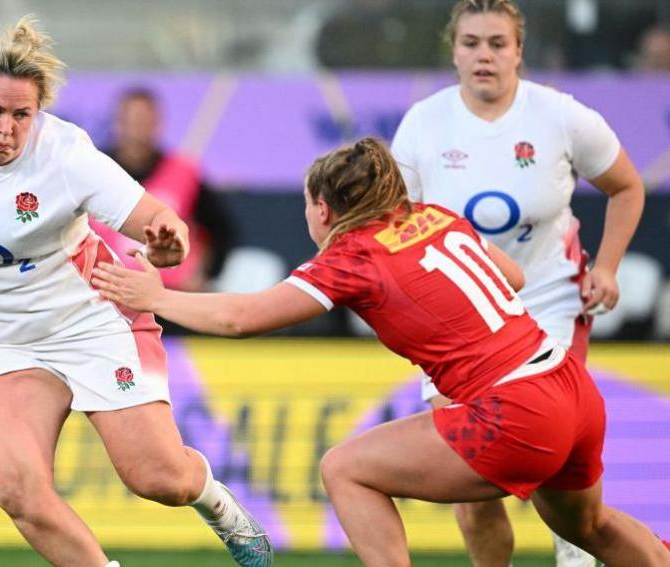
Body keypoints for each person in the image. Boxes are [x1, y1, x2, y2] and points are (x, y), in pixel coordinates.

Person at [92, 136, 670, 567]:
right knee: (590, 527)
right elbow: (513, 277)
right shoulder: (436, 218)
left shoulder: (354, 257)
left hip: (515, 411)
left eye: (307, 205)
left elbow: (241, 318)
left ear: (323, 209)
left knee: (344, 468)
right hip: (570, 388)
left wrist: (154, 296)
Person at [0, 15, 273, 567]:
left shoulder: (66, 154)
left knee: (159, 479)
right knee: (16, 490)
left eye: (22, 114)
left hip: (92, 322)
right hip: (3, 340)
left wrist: (167, 243)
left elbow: (156, 220)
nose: (8, 129)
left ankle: (217, 502)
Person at [390, 1, 646, 565]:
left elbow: (627, 187)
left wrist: (605, 268)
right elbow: (399, 227)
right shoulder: (422, 125)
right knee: (474, 488)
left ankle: (576, 556)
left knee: (556, 467)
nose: (484, 55)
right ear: (453, 51)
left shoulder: (561, 116)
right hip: (463, 317)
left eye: (498, 44)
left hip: (549, 301)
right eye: (472, 43)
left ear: (519, 52)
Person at [95, 87, 233, 293]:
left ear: (157, 123)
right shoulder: (95, 169)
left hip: (169, 293)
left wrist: (205, 273)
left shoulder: (183, 173)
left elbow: (220, 229)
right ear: (118, 122)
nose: (138, 129)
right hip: (105, 291)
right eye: (132, 120)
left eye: (144, 120)